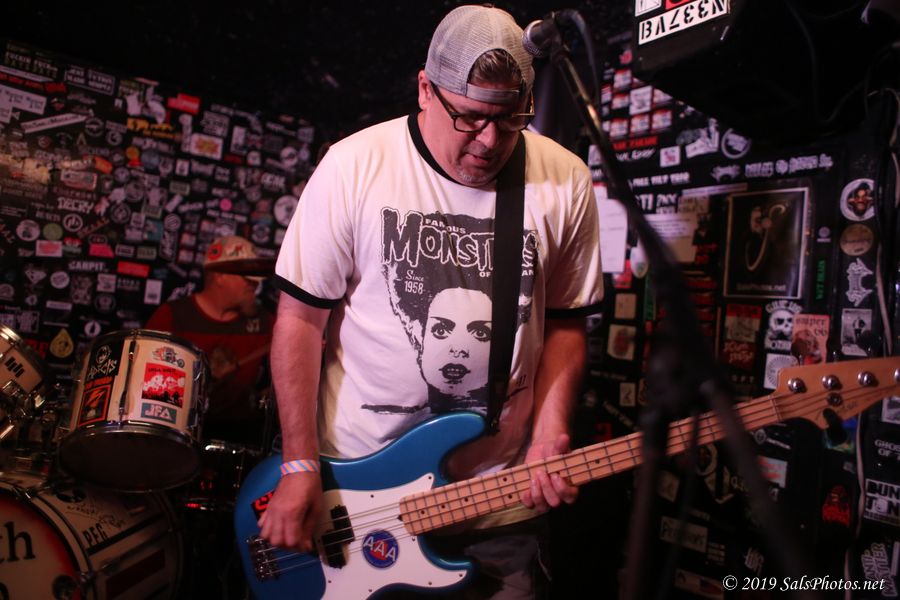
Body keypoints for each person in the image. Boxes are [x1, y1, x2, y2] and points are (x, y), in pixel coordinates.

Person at [260, 5, 603, 598]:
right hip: (357, 492)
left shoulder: (564, 179)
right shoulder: (355, 165)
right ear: (425, 89)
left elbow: (565, 323)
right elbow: (300, 321)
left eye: (510, 119)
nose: (489, 140)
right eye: (469, 117)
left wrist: (550, 433)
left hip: (496, 500)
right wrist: (299, 464)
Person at [146, 234, 275, 445]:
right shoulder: (171, 317)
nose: (255, 284)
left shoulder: (266, 322)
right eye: (247, 277)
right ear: (220, 276)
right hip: (174, 439)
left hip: (240, 441)